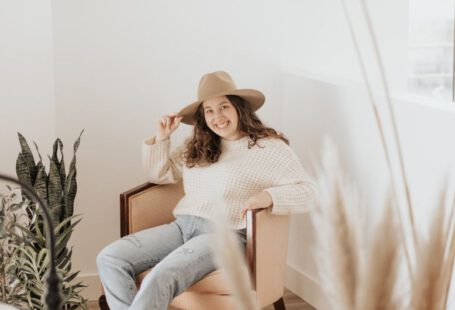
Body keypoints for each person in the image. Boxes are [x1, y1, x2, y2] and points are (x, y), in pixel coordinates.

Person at [96, 71, 316, 309]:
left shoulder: (268, 147)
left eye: (224, 107)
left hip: (225, 235)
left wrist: (268, 196)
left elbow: (309, 191)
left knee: (163, 275)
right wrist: (162, 138)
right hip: (182, 228)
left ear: (239, 108)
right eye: (209, 110)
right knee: (110, 258)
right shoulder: (199, 145)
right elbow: (157, 175)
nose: (217, 117)